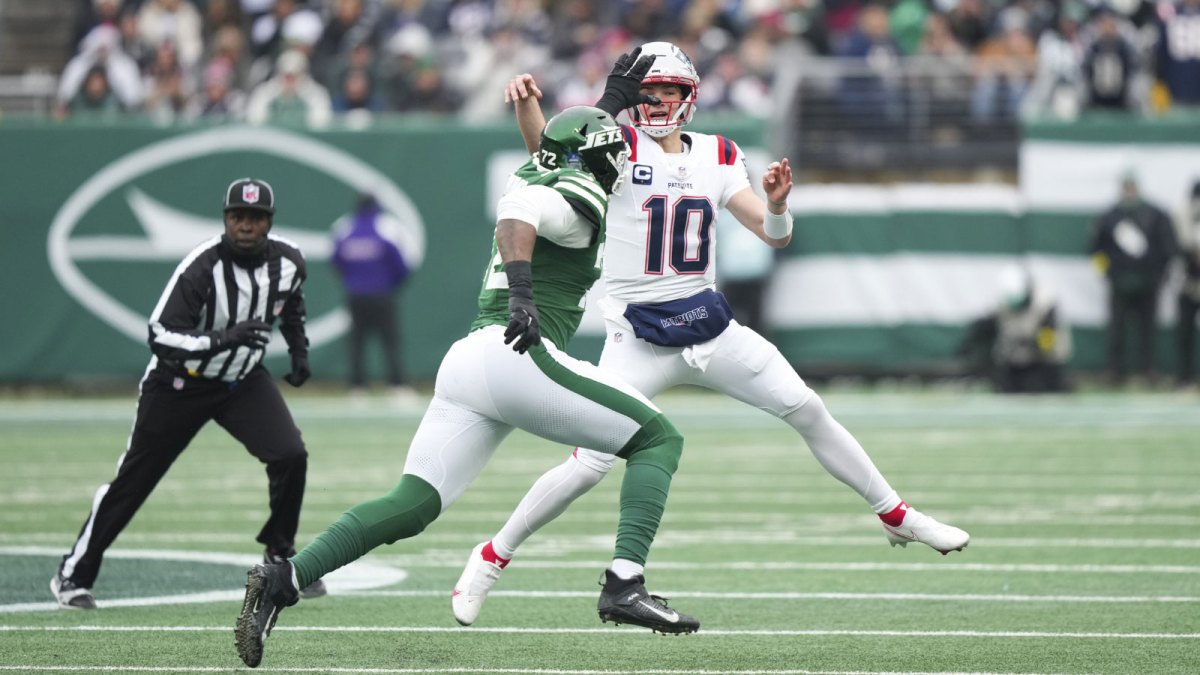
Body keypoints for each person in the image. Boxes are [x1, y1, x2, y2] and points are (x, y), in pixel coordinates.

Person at [450, 40, 970, 630]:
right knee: (589, 462)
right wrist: (526, 107)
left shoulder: (720, 154)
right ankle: (491, 558)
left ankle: (894, 514)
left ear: (689, 98)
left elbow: (772, 234)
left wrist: (777, 206)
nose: (657, 102)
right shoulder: (617, 146)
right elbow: (547, 154)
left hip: (708, 324)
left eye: (669, 92)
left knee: (806, 407)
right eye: (648, 93)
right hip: (638, 334)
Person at [234, 103, 701, 670]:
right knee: (659, 439)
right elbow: (522, 213)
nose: (621, 162)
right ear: (591, 158)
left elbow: (537, 173)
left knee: (412, 504)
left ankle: (285, 576)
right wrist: (525, 296)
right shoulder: (574, 193)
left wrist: (588, 102)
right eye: (613, 153)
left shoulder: (535, 169)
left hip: (469, 361)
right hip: (518, 353)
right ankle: (625, 582)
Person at [51, 178, 325, 610]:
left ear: (269, 222)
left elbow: (290, 302)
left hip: (242, 380)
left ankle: (279, 553)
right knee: (135, 481)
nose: (246, 226)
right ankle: (73, 574)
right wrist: (224, 337)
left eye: (255, 218)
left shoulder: (290, 261)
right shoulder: (202, 267)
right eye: (238, 217)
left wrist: (298, 350)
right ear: (225, 219)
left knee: (290, 454)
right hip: (181, 382)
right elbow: (160, 336)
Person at [1089, 172, 1178, 385]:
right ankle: (1114, 370)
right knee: (1116, 330)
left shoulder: (1155, 214)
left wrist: (1160, 276)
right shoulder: (1110, 216)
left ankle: (1150, 369)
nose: (1129, 192)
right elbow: (1095, 249)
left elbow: (1167, 248)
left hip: (1148, 283)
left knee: (1148, 330)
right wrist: (1107, 274)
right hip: (1120, 283)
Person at [330, 193, 414, 400]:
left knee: (357, 340)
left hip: (356, 295)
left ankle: (357, 387)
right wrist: (389, 283)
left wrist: (352, 280)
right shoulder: (387, 227)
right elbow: (401, 264)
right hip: (382, 294)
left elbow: (335, 260)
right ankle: (397, 386)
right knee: (390, 339)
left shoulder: (344, 227)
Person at [957, 266, 1072, 393]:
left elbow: (1048, 341)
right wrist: (969, 342)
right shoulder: (1003, 304)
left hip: (1043, 364)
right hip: (1015, 363)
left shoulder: (1045, 304)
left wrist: (1032, 344)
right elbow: (987, 324)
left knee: (1035, 388)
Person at [1175, 180, 1200, 388]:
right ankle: (1185, 376)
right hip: (1187, 283)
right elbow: (1178, 246)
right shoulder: (1183, 213)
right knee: (1184, 334)